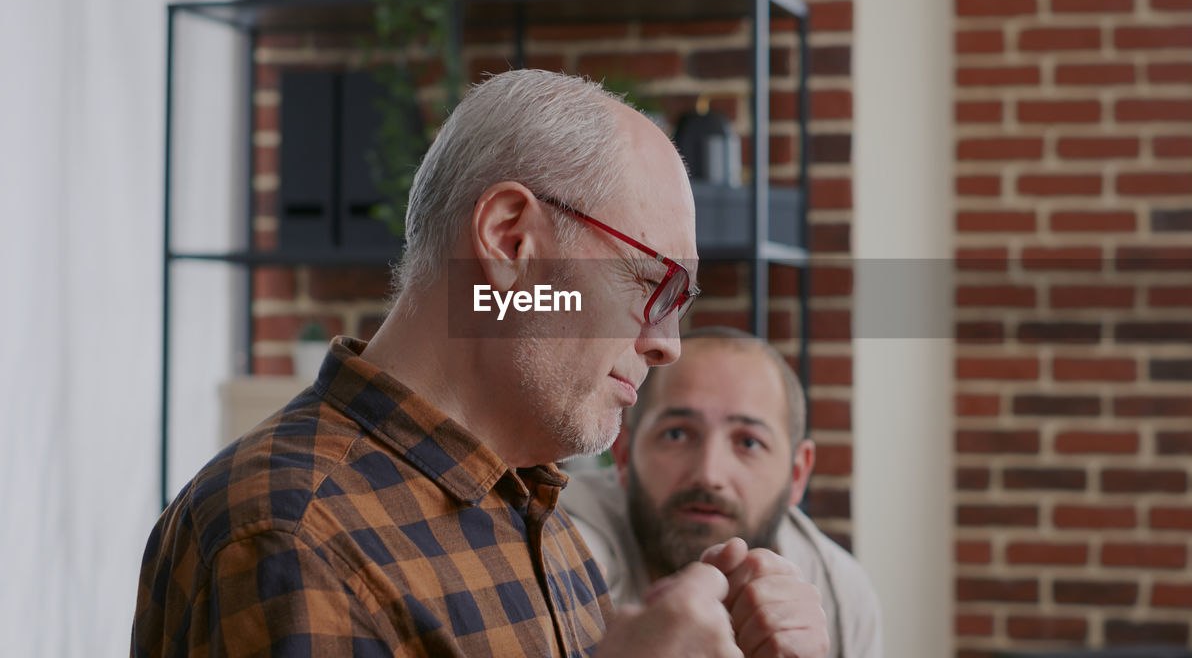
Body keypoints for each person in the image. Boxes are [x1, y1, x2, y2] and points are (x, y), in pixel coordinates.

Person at [131, 70, 828, 657]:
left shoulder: (533, 512)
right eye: (653, 283)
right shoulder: (291, 540)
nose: (666, 341)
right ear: (510, 240)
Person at [560, 326, 883, 658]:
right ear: (624, 454)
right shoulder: (560, 550)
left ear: (797, 474)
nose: (709, 475)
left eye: (749, 443)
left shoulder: (841, 595)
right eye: (677, 435)